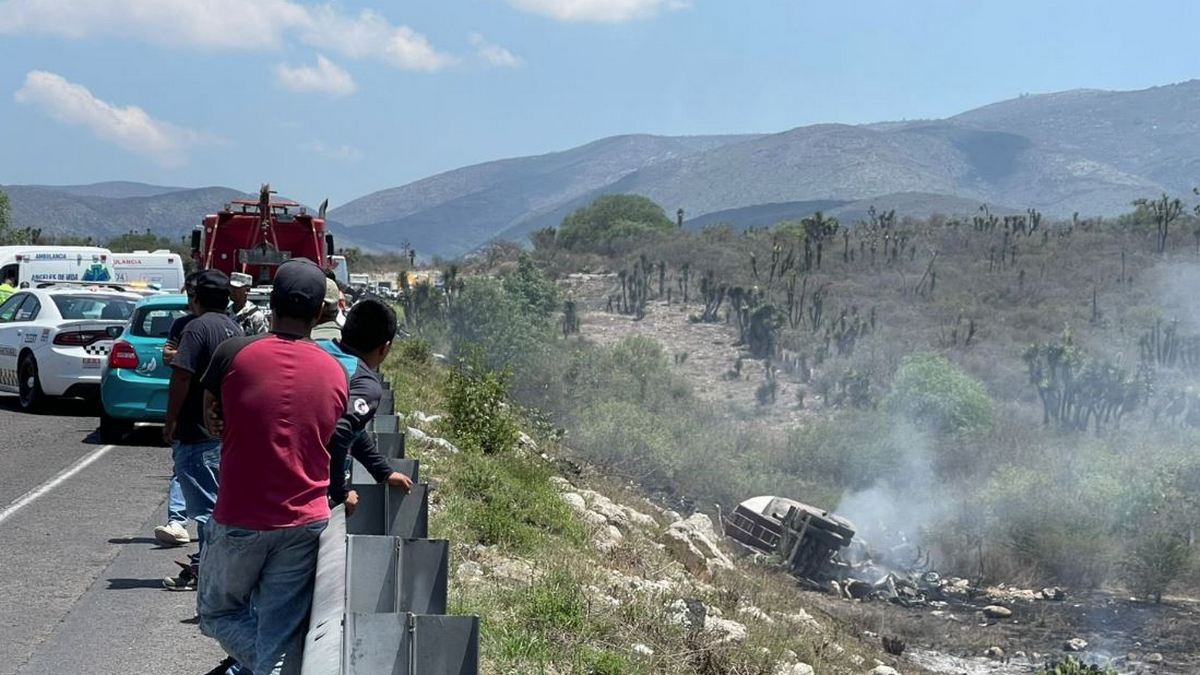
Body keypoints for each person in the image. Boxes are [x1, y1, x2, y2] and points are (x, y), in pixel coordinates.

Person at [197, 258, 349, 675]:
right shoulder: (336, 373)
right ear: (320, 312)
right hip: (305, 523)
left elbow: (210, 419)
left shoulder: (235, 354)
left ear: (273, 302)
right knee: (281, 635)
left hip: (242, 516)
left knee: (217, 613)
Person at [161, 270, 243, 590]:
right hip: (224, 433)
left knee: (206, 510)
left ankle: (210, 573)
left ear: (196, 297)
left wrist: (170, 420)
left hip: (196, 432)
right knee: (220, 504)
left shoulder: (196, 329)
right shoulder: (234, 328)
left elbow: (182, 376)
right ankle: (206, 565)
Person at [319, 298, 413, 512]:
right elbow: (340, 432)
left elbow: (352, 428)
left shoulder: (317, 349)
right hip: (304, 493)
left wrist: (382, 471)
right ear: (384, 348)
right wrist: (340, 494)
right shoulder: (364, 383)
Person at [153, 273, 199, 547]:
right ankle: (178, 521)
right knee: (181, 467)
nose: (190, 300)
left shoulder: (228, 324)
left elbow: (178, 362)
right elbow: (168, 356)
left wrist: (184, 356)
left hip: (214, 411)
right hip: (187, 408)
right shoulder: (181, 324)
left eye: (193, 294)